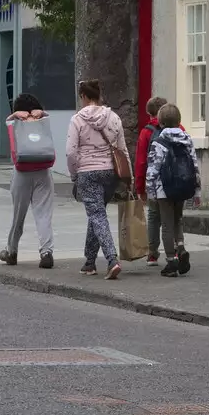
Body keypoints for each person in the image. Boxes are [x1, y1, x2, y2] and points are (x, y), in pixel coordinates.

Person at [65, 79, 131, 279]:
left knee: (97, 215)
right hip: (110, 172)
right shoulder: (114, 118)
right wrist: (129, 176)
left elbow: (70, 152)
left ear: (83, 96)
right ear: (99, 95)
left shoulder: (77, 120)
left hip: (88, 172)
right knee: (97, 214)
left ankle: (112, 259)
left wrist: (74, 174)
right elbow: (122, 149)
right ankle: (89, 262)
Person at [0, 93, 54, 269]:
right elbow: (48, 121)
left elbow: (7, 122)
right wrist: (41, 113)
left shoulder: (15, 122)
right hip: (43, 171)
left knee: (18, 216)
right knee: (43, 214)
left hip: (22, 172)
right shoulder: (42, 119)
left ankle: (11, 251)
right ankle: (46, 252)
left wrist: (15, 115)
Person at [146, 103, 200, 277]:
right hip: (183, 186)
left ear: (160, 123)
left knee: (166, 225)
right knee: (178, 220)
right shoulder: (187, 139)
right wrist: (197, 190)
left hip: (164, 189)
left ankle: (171, 261)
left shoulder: (159, 142)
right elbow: (194, 165)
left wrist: (150, 191)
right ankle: (181, 247)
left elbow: (153, 169)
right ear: (179, 121)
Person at [134, 95, 182, 267]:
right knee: (176, 217)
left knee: (154, 217)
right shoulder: (181, 129)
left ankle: (153, 253)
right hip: (179, 182)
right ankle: (178, 247)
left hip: (158, 184)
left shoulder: (147, 132)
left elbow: (141, 162)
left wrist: (140, 187)